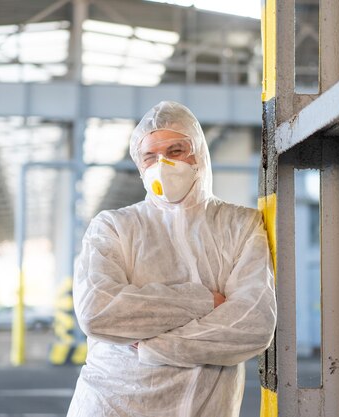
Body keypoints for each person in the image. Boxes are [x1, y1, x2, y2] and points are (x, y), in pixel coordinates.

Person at [67, 101, 277, 417]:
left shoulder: (241, 225)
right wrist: (205, 301)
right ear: (139, 167)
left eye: (176, 150)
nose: (162, 164)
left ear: (199, 156)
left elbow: (252, 325)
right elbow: (98, 312)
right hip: (109, 405)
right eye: (150, 156)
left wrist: (152, 346)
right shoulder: (113, 227)